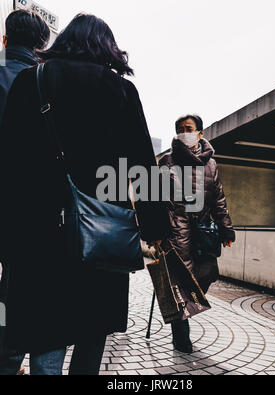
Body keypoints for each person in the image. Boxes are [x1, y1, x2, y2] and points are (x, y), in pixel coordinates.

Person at [0, 13, 170, 375]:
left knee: (46, 325)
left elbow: (9, 160)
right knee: (93, 325)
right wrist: (156, 227)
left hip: (38, 229)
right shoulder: (120, 90)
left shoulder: (31, 81)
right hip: (103, 229)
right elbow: (142, 166)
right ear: (107, 48)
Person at [158, 114, 235, 354]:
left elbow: (219, 199)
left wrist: (226, 229)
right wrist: (156, 233)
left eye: (188, 128)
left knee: (207, 274)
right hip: (175, 229)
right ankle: (181, 336)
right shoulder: (167, 161)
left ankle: (187, 311)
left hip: (202, 230)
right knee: (178, 283)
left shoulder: (211, 163)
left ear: (200, 133)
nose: (184, 132)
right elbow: (154, 198)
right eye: (180, 129)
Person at [0, 9, 50, 375]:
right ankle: (14, 354)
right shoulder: (48, 83)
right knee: (24, 281)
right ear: (41, 46)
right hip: (37, 205)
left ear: (4, 41)